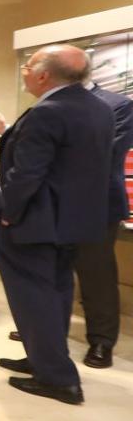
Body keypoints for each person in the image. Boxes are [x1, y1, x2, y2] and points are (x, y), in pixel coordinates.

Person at [0, 45, 114, 403]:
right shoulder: (99, 108)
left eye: (29, 65)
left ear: (44, 75)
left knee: (34, 297)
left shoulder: (47, 112)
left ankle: (57, 377)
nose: (25, 70)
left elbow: (27, 173)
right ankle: (42, 359)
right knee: (57, 292)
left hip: (36, 222)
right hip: (72, 222)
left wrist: (6, 211)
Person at [75, 72, 133, 368]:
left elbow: (106, 154)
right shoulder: (47, 105)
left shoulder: (118, 105)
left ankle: (101, 340)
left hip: (97, 204)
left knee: (96, 273)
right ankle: (46, 328)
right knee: (52, 268)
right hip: (54, 203)